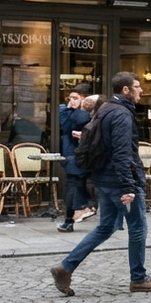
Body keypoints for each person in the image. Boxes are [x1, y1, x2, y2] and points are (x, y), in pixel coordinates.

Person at [50, 72, 151, 297]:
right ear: (125, 90)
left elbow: (92, 109)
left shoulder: (105, 109)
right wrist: (128, 188)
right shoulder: (121, 114)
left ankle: (66, 267)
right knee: (137, 228)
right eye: (137, 87)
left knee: (106, 227)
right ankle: (139, 277)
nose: (141, 91)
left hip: (102, 178)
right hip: (119, 180)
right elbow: (123, 152)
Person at [57, 84, 93, 232]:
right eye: (70, 98)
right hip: (71, 153)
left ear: (84, 100)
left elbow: (79, 122)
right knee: (74, 185)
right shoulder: (67, 111)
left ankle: (79, 212)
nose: (72, 101)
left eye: (75, 98)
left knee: (75, 186)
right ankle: (74, 216)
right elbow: (64, 125)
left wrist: (81, 109)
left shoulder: (85, 114)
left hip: (81, 155)